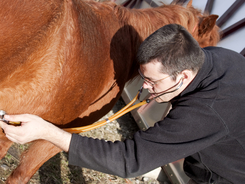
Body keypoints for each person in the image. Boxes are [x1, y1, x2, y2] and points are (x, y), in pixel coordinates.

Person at [1, 24, 245, 184]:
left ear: (182, 77)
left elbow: (129, 160)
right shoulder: (213, 58)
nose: (145, 87)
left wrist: (47, 131)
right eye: (143, 77)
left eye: (151, 81)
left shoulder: (207, 111)